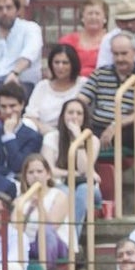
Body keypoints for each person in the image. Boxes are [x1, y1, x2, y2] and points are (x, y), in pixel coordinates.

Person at [78, 33, 135, 185]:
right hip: (99, 127)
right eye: (116, 54)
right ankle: (83, 175)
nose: (120, 59)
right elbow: (82, 99)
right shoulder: (100, 74)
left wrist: (116, 125)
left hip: (127, 128)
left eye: (124, 54)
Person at [39, 97, 99, 228]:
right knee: (65, 193)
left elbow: (84, 170)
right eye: (70, 112)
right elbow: (50, 170)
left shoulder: (92, 140)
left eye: (79, 113)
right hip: (60, 184)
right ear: (63, 116)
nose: (74, 117)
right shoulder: (51, 137)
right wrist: (74, 174)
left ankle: (73, 240)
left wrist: (79, 140)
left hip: (87, 187)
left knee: (83, 191)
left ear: (84, 117)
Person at [23, 43, 84, 136]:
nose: (60, 67)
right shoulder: (42, 86)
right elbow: (30, 115)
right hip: (42, 132)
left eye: (65, 63)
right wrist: (45, 130)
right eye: (56, 62)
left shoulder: (83, 84)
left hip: (71, 133)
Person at [0, 81, 42, 178]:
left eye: (12, 106)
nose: (8, 111)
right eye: (3, 106)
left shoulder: (33, 137)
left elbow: (19, 166)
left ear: (22, 105)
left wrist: (8, 135)